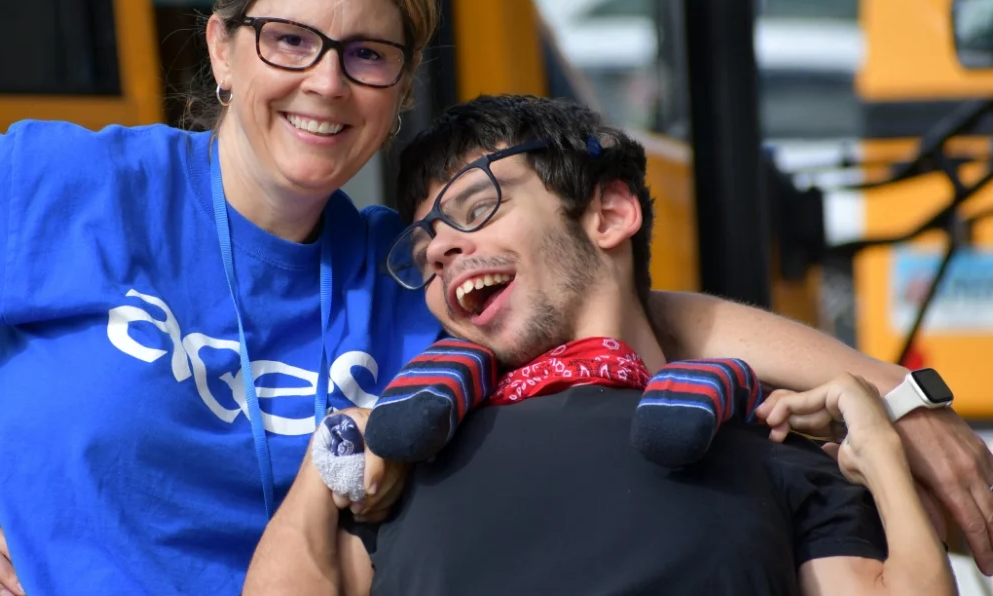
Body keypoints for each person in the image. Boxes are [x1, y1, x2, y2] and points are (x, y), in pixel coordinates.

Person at [0, 0, 987, 596]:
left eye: (367, 54)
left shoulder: (404, 269)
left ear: (399, 88)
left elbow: (656, 314)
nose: (325, 81)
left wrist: (904, 395)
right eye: (289, 40)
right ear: (219, 47)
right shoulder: (73, 184)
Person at [242, 95, 958, 596]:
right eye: (425, 241)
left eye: (477, 207)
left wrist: (883, 444)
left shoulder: (777, 451)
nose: (440, 250)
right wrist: (329, 454)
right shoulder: (399, 471)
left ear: (611, 214)